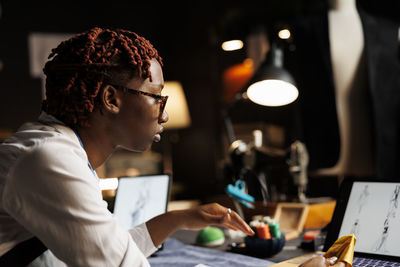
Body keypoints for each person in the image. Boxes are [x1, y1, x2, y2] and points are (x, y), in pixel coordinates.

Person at [0, 27, 343, 267]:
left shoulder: (59, 151)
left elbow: (105, 252)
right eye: (156, 97)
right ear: (110, 99)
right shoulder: (49, 159)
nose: (162, 114)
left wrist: (177, 219)